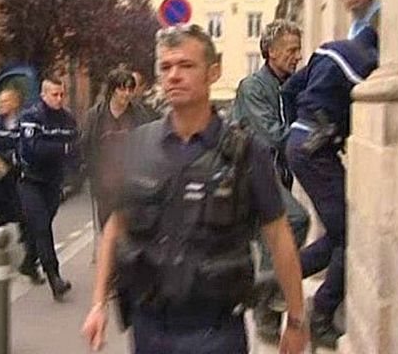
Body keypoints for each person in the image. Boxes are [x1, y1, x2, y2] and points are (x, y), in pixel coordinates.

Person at [82, 24, 308, 354]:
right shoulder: (137, 146)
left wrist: (297, 318)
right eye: (166, 67)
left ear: (212, 72)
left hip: (216, 332)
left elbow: (279, 236)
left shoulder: (246, 152)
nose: (174, 75)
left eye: (186, 66)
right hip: (149, 329)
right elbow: (114, 228)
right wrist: (98, 304)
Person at [285, 27, 379, 349]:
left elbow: (289, 88)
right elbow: (367, 105)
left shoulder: (326, 50)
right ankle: (321, 313)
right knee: (348, 235)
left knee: (339, 233)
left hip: (299, 141)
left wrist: (299, 121)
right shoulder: (366, 60)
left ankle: (281, 279)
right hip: (316, 148)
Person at [231, 19, 309, 343]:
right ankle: (265, 301)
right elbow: (273, 134)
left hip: (279, 172)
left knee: (273, 236)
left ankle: (268, 309)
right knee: (294, 219)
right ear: (271, 52)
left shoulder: (292, 84)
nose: (296, 56)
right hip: (254, 170)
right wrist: (308, 131)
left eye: (298, 50)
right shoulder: (252, 87)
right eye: (291, 50)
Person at [0, 89, 44, 283]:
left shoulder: (24, 125)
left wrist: (6, 160)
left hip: (18, 180)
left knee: (27, 222)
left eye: (5, 101)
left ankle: (31, 264)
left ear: (15, 103)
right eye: (0, 101)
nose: (1, 104)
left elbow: (28, 149)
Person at [18, 78, 78, 300]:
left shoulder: (67, 119)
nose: (60, 99)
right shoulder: (32, 117)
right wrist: (63, 148)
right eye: (55, 95)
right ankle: (54, 277)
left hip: (53, 181)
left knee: (40, 227)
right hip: (31, 181)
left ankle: (27, 263)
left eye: (62, 94)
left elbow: (76, 148)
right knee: (42, 226)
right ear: (43, 95)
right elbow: (32, 150)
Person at [81, 68, 158, 231]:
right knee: (107, 231)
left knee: (130, 232)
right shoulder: (95, 116)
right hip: (105, 186)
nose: (126, 94)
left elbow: (147, 144)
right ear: (112, 90)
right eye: (122, 88)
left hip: (132, 185)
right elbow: (86, 147)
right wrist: (90, 174)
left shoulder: (140, 115)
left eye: (130, 89)